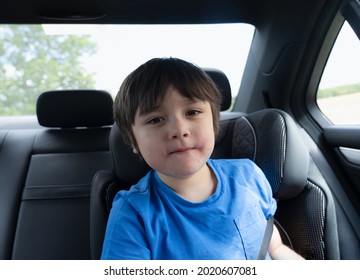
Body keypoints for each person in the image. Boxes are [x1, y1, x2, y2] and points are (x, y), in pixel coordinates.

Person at [101, 57, 304, 260]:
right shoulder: (133, 214)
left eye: (192, 112)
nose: (179, 130)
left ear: (214, 124)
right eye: (156, 119)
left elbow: (275, 248)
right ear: (133, 143)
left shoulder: (248, 175)